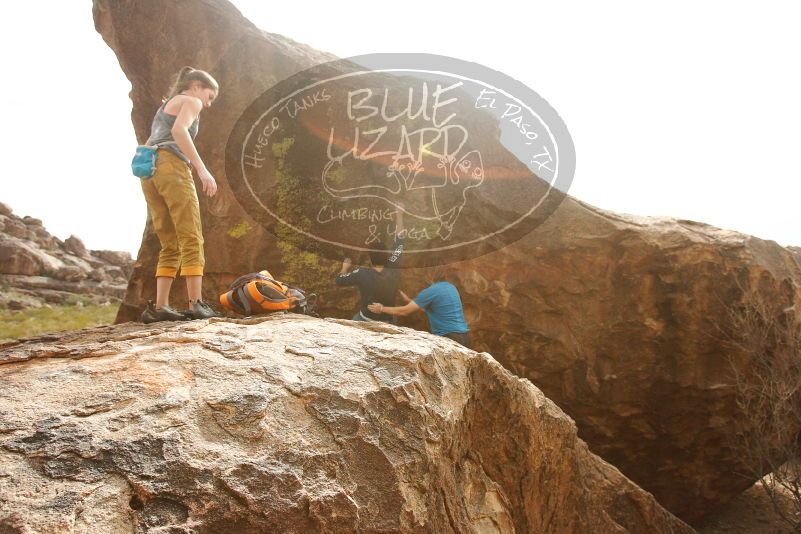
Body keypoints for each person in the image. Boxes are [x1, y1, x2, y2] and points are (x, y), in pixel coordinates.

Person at [139, 66, 221, 323]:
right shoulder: (191, 100)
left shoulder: (166, 105)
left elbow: (155, 138)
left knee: (169, 242)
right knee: (191, 235)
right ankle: (196, 303)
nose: (207, 104)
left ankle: (160, 306)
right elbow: (179, 131)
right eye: (210, 97)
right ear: (196, 86)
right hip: (172, 167)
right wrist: (201, 168)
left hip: (149, 170)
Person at [368, 272, 471, 348]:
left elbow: (404, 312)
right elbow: (436, 311)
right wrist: (409, 300)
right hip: (464, 338)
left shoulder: (431, 291)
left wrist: (381, 308)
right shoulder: (451, 288)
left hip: (450, 339)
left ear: (429, 276)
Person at [335, 210, 404, 323]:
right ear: (387, 256)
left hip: (365, 319)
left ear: (370, 259)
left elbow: (339, 280)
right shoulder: (393, 267)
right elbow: (400, 239)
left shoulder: (362, 273)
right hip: (388, 320)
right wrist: (399, 214)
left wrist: (345, 267)